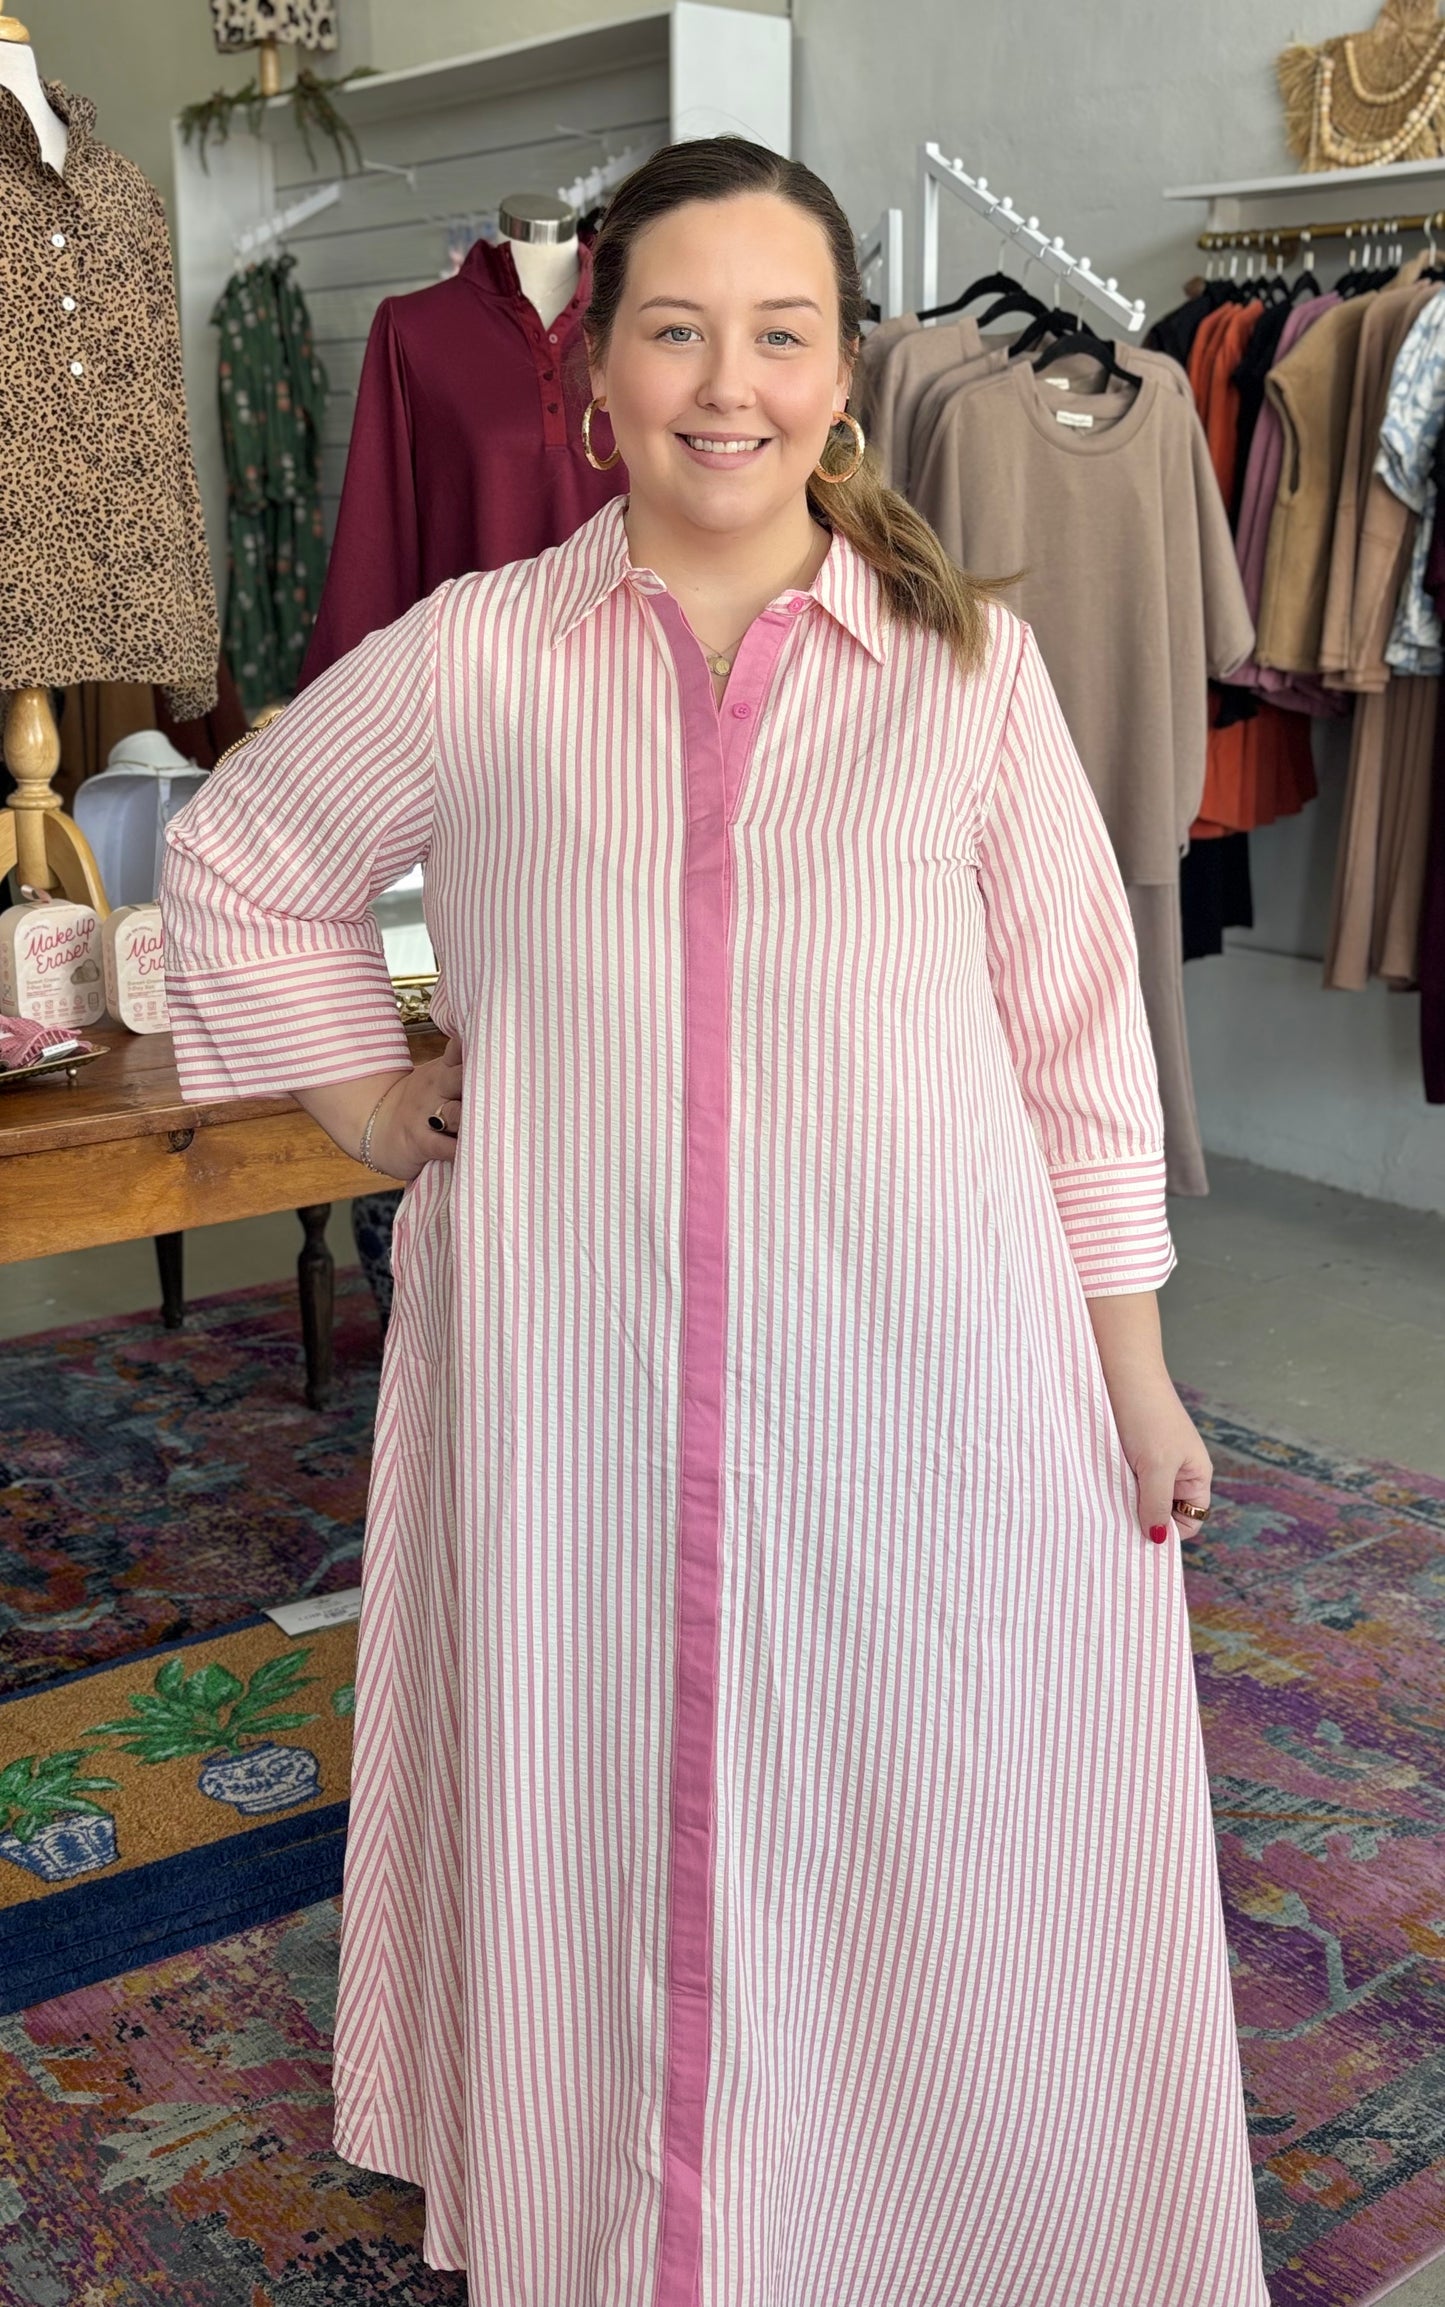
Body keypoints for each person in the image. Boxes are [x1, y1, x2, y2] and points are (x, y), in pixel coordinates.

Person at [160, 135, 1267, 2307]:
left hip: (918, 1366)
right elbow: (243, 855)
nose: (728, 384)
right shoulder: (478, 653)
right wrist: (379, 1101)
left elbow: (1076, 1035)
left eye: (781, 332)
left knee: (917, 1789)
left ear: (846, 372)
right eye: (677, 329)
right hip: (573, 1366)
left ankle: (916, 2212)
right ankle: (634, 2209)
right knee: (603, 1802)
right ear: (597, 374)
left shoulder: (963, 670)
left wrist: (1130, 1378)